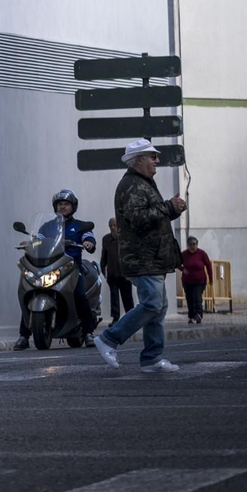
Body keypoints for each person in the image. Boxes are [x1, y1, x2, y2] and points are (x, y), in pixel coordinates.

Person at [93, 139, 186, 374]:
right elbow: (138, 219)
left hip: (152, 258)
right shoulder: (132, 186)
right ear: (138, 160)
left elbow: (153, 219)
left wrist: (172, 209)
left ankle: (152, 359)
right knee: (153, 303)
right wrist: (168, 206)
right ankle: (109, 339)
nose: (157, 160)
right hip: (142, 258)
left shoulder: (144, 183)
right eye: (152, 156)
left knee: (159, 306)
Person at [12, 189, 96, 350]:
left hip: (71, 267)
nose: (63, 207)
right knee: (30, 292)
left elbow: (88, 237)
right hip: (49, 266)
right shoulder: (47, 226)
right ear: (55, 207)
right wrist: (29, 243)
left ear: (73, 207)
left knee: (80, 295)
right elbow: (39, 240)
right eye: (60, 204)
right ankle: (23, 336)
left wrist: (89, 243)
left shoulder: (80, 226)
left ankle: (88, 333)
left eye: (66, 204)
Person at [101, 216, 134, 322]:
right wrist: (103, 271)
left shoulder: (126, 238)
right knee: (114, 298)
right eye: (111, 225)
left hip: (124, 273)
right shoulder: (106, 239)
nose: (113, 227)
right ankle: (115, 318)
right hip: (112, 273)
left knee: (127, 297)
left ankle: (130, 317)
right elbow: (104, 257)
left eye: (115, 225)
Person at [180, 236, 213, 324]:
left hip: (199, 281)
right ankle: (191, 316)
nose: (192, 247)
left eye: (194, 244)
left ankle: (198, 315)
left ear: (197, 245)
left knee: (197, 298)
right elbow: (176, 263)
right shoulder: (184, 254)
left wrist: (211, 278)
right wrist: (183, 269)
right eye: (190, 245)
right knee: (189, 299)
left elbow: (208, 265)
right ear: (187, 245)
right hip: (187, 281)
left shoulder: (201, 253)